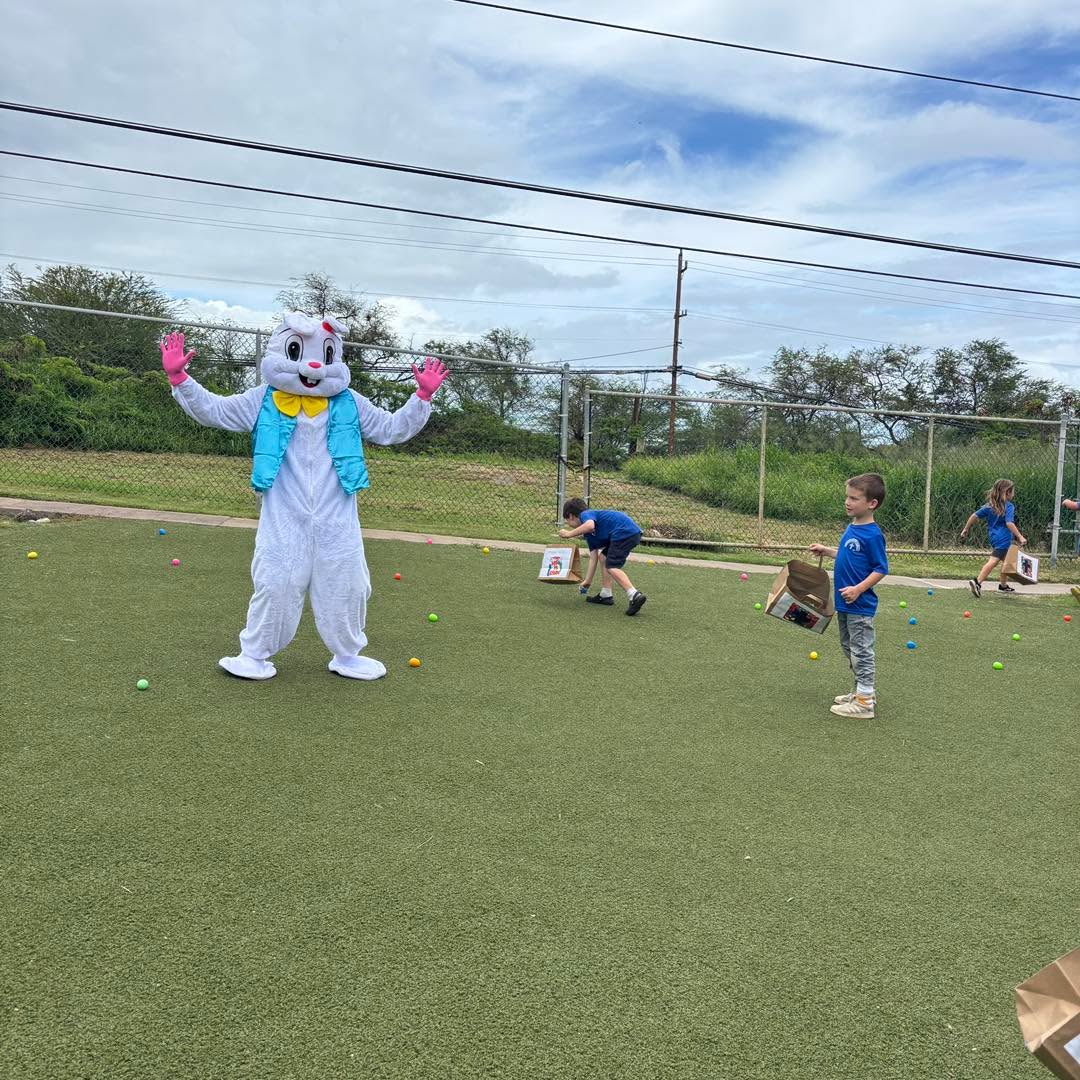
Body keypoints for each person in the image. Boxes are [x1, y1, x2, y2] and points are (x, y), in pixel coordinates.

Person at [162, 314, 447, 681]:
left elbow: (390, 428)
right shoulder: (261, 400)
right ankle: (255, 654)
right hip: (283, 513)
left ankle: (347, 654)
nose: (312, 365)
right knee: (275, 580)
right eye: (297, 351)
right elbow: (215, 410)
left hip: (337, 514)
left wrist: (421, 398)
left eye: (325, 356)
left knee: (348, 584)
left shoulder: (349, 402)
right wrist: (180, 380)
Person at [809, 473, 889, 720]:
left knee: (862, 650)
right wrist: (828, 551)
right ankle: (860, 691)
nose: (847, 502)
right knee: (849, 647)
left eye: (854, 498)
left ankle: (865, 702)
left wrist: (858, 589)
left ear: (871, 504)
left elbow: (880, 568)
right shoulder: (853, 527)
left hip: (859, 604)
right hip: (845, 602)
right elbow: (848, 556)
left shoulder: (873, 534)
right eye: (847, 496)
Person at [559, 498, 647, 615]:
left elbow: (589, 525)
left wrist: (568, 534)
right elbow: (593, 558)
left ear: (570, 516)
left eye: (567, 521)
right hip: (626, 533)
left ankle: (634, 594)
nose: (569, 526)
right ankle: (606, 594)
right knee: (603, 558)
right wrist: (587, 581)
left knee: (612, 566)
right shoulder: (589, 535)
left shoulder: (585, 515)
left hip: (624, 532)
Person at [961, 479, 1026, 598]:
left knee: (1006, 561)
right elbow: (1009, 523)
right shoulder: (1009, 506)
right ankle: (977, 582)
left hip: (994, 538)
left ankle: (1003, 586)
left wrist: (966, 529)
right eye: (1012, 492)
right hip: (1004, 539)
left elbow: (974, 516)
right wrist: (1020, 536)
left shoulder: (989, 506)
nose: (1013, 494)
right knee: (994, 561)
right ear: (1007, 493)